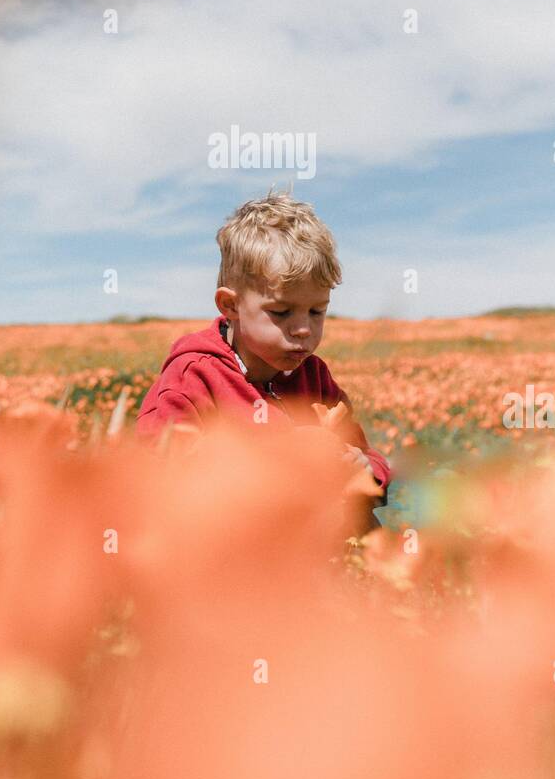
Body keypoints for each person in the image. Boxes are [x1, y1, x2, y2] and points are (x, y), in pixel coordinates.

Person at [135, 188, 393, 537]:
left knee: (368, 519)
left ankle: (382, 585)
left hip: (305, 535)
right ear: (230, 306)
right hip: (220, 540)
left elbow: (363, 451)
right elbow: (161, 471)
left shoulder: (314, 376)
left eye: (317, 311)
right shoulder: (195, 373)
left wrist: (365, 469)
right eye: (281, 312)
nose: (303, 329)